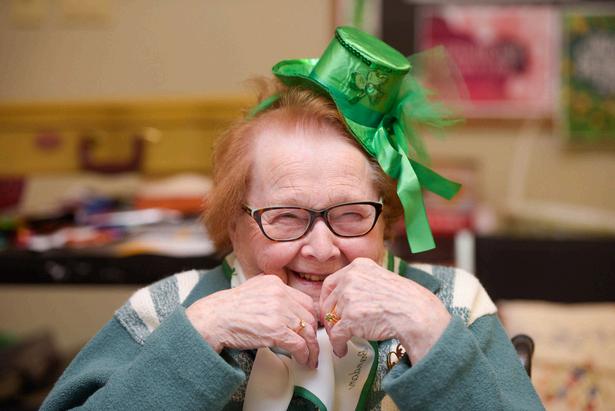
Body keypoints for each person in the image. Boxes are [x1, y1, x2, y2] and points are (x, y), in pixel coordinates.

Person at [42, 27, 543, 410]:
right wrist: (204, 331)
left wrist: (429, 331)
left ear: (387, 221)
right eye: (285, 217)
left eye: (351, 215)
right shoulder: (168, 308)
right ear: (233, 224)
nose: (322, 250)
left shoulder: (452, 303)